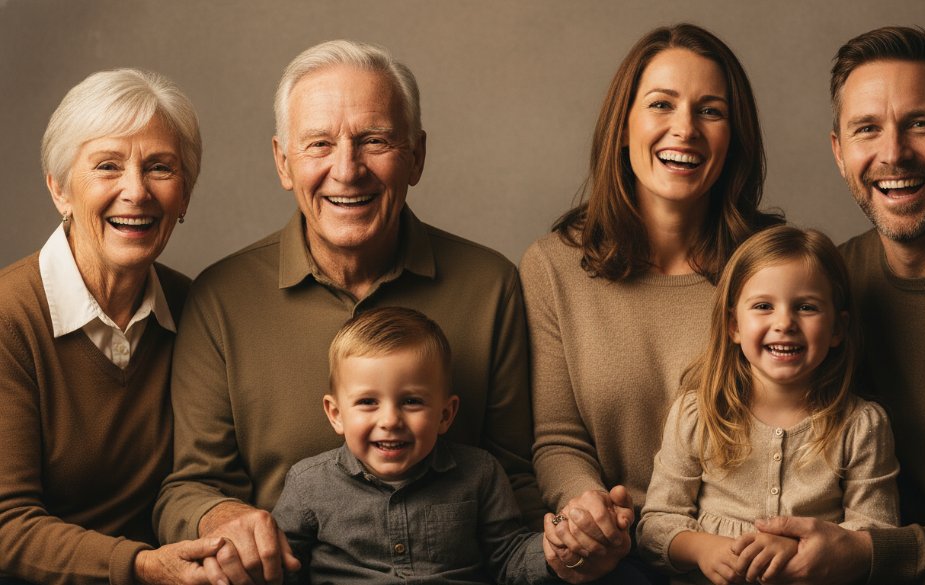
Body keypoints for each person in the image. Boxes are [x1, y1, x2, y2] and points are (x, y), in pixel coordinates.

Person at [155, 39, 542, 584]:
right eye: (318, 144)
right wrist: (225, 518)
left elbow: (516, 478)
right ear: (282, 162)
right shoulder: (221, 298)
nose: (347, 169)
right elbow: (189, 488)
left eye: (375, 141)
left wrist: (564, 545)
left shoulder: (490, 285)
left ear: (417, 156)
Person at [750, 26, 925, 585]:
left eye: (920, 124)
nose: (892, 153)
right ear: (838, 151)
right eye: (867, 129)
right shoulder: (825, 289)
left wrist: (873, 554)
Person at [520, 23, 783, 583]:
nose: (684, 129)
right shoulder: (552, 267)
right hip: (620, 557)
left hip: (749, 557)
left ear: (735, 136)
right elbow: (558, 437)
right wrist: (587, 507)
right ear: (624, 126)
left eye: (711, 111)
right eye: (661, 104)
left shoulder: (774, 269)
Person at [0, 69, 226, 585]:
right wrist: (142, 565)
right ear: (60, 189)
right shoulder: (9, 319)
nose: (136, 191)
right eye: (107, 166)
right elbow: (5, 526)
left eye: (160, 168)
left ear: (185, 194)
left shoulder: (197, 307)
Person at [636, 225, 899, 585]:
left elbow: (876, 534)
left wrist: (799, 550)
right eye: (763, 306)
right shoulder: (698, 415)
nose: (784, 323)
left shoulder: (861, 426)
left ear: (838, 329)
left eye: (806, 307)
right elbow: (656, 526)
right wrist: (703, 550)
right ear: (734, 326)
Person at [272, 307, 581, 584]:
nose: (390, 420)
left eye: (411, 401)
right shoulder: (308, 484)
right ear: (336, 415)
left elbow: (509, 558)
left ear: (445, 415)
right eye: (368, 402)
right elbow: (282, 567)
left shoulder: (479, 473)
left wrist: (555, 553)